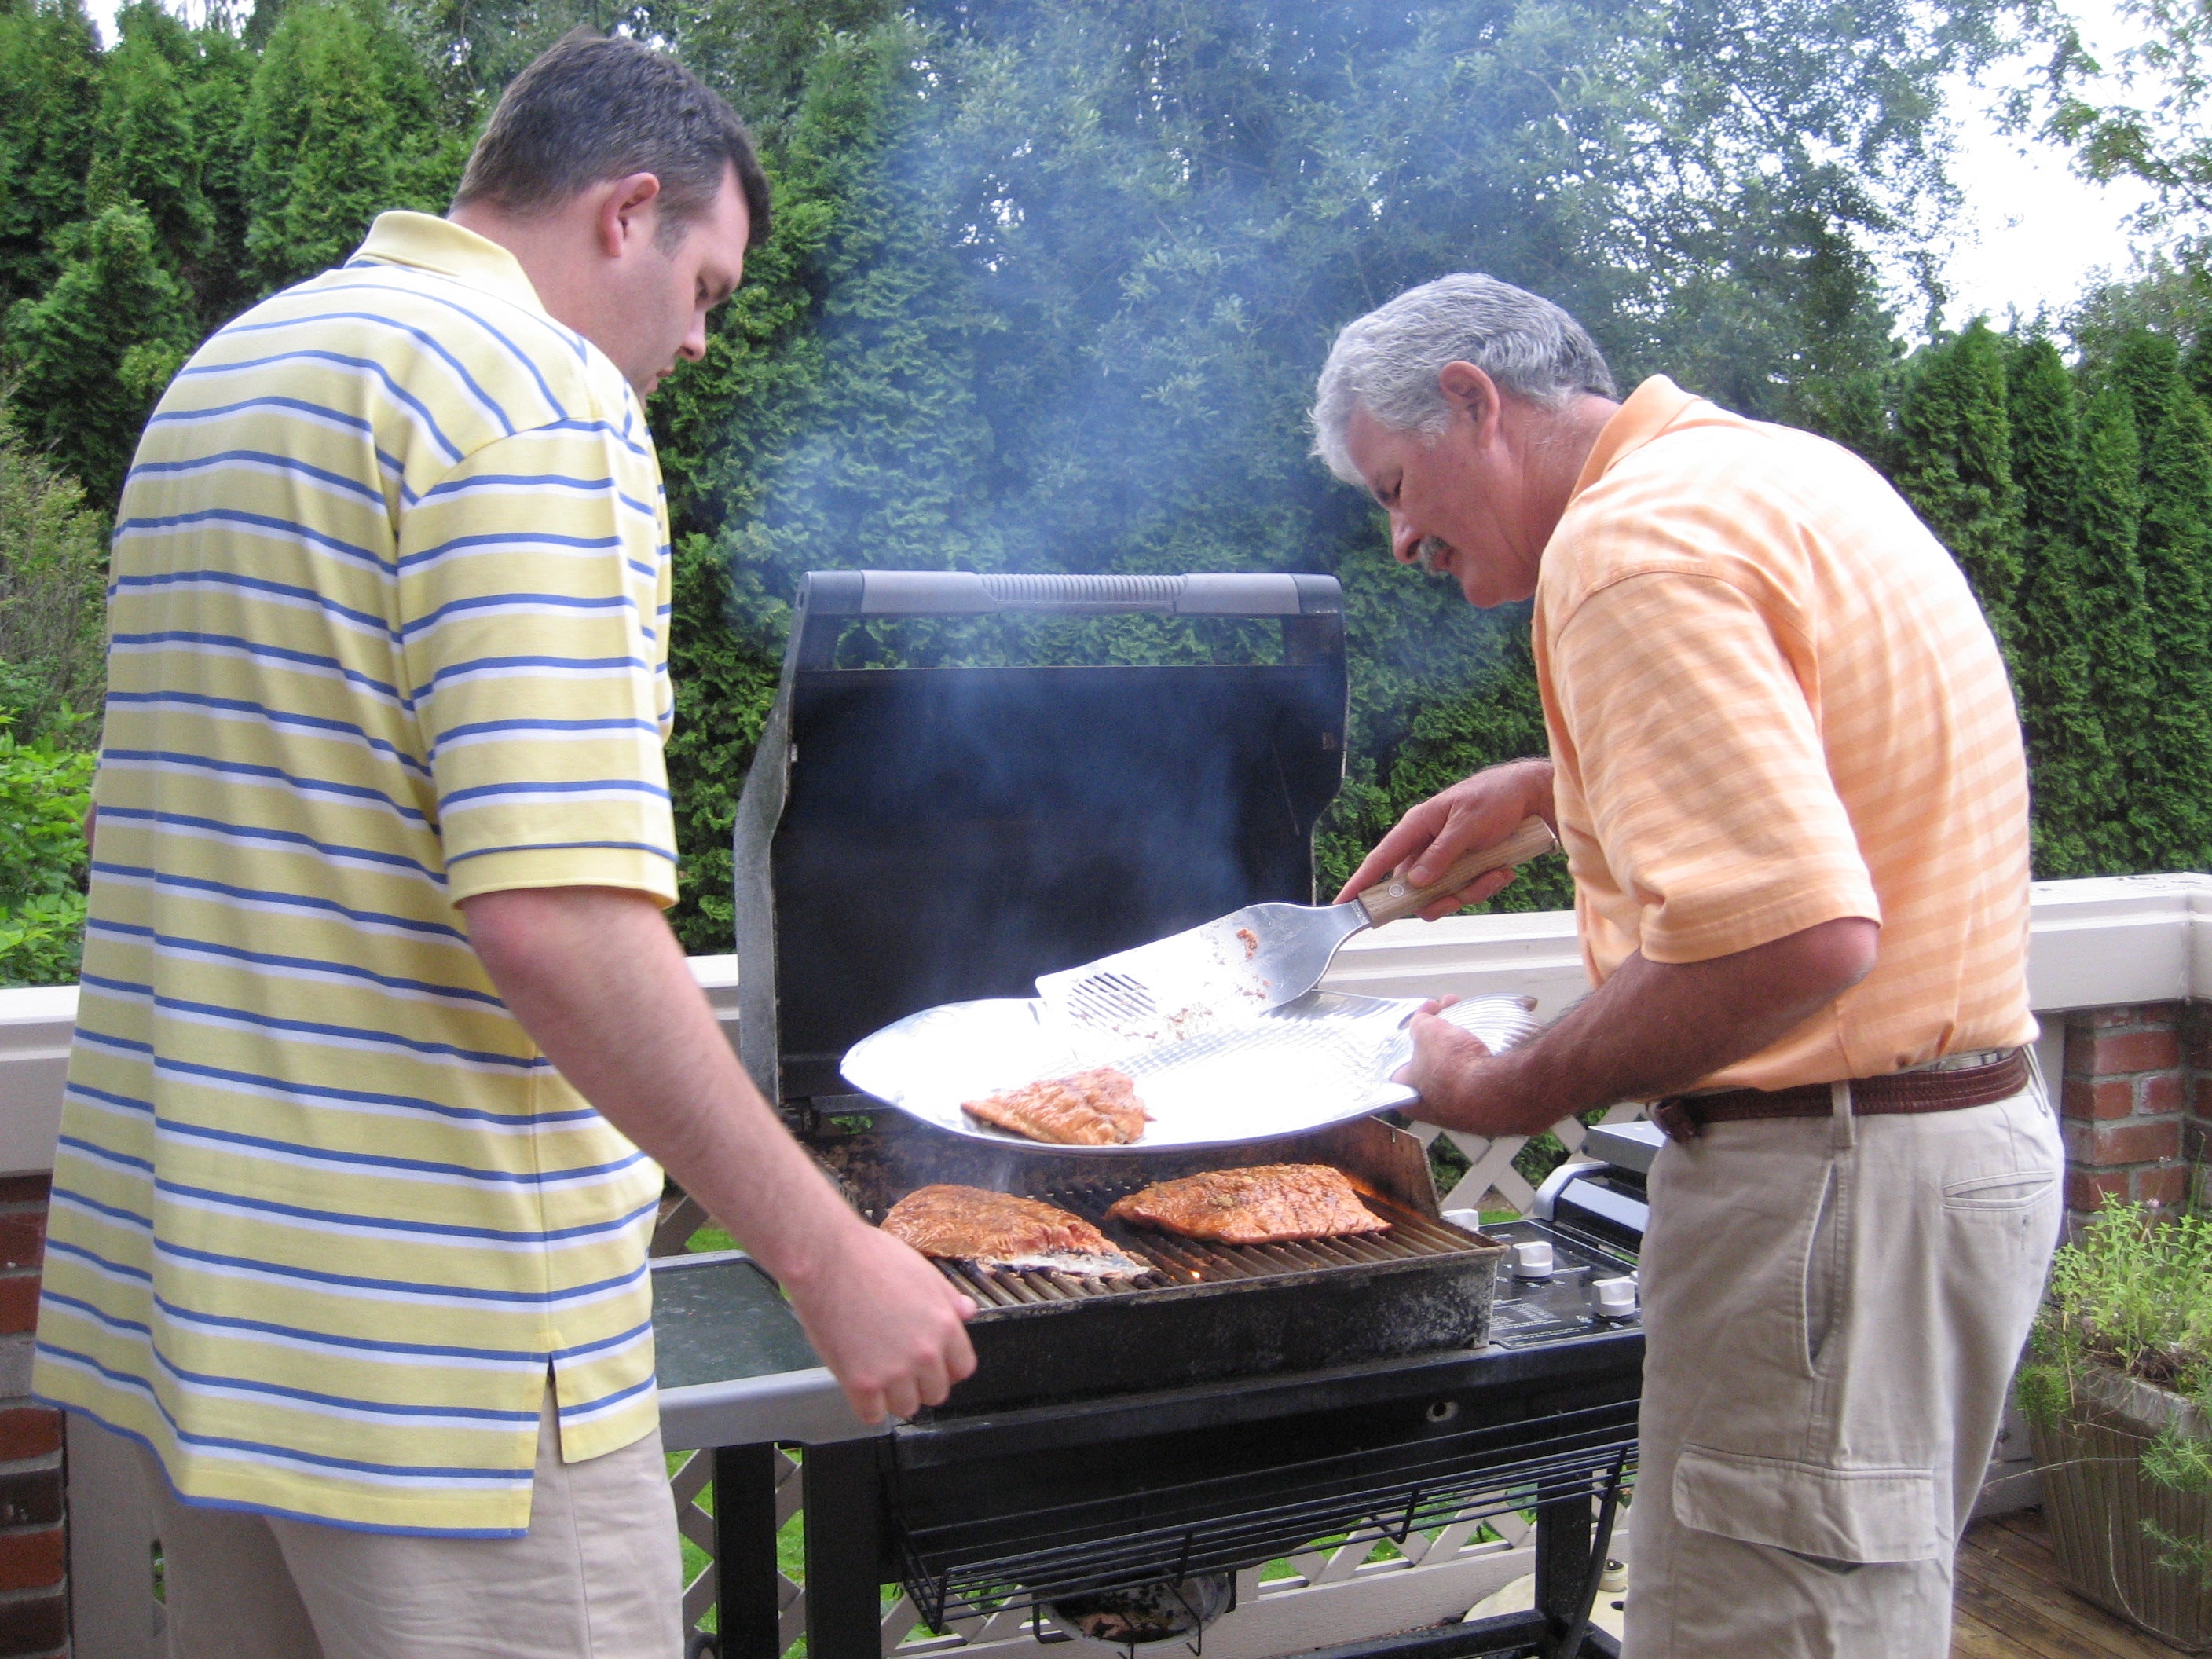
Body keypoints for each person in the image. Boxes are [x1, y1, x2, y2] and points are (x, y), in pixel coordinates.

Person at [33, 31, 975, 1657]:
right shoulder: (533, 398)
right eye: (709, 289)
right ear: (627, 211)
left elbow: (142, 826)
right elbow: (554, 922)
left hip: (208, 1320)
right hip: (444, 1368)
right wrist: (827, 1258)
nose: (693, 344)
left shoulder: (233, 374)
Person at [1311, 274, 2062, 1659]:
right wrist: (1558, 789)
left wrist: (1497, 1089)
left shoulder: (1626, 549)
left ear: (1476, 399)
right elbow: (1828, 754)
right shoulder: (1773, 474)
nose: (1402, 533)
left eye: (1397, 484)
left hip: (1828, 1200)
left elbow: (1800, 935)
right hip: (1939, 1160)